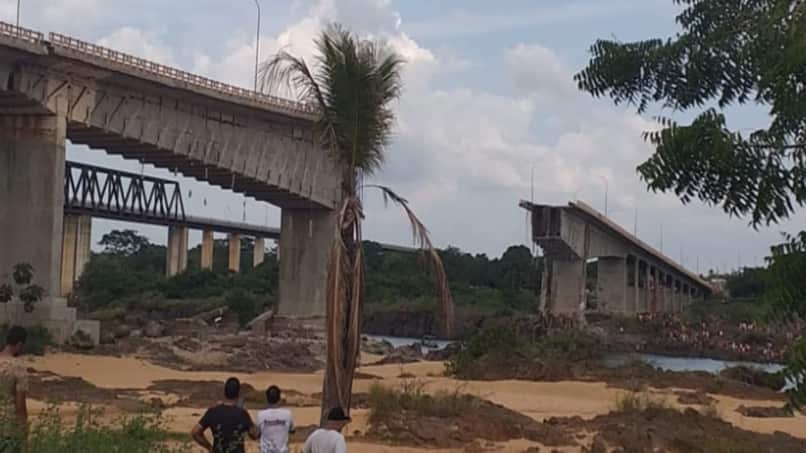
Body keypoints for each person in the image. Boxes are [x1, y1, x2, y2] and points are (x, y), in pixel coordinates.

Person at [191, 377, 258, 453]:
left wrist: (209, 447)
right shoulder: (242, 414)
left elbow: (195, 432)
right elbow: (254, 435)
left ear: (225, 392)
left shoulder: (213, 412)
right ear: (238, 393)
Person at [0, 326, 28, 453]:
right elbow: (20, 406)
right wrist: (24, 434)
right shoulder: (18, 368)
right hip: (8, 429)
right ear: (19, 344)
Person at [256, 385, 295, 453]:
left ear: (267, 398)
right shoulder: (287, 414)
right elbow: (292, 430)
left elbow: (257, 433)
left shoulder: (261, 415)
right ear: (279, 398)